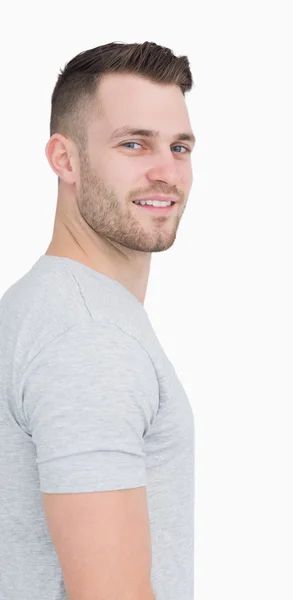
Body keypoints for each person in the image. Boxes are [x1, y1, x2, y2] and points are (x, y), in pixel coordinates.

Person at [0, 41, 197, 600]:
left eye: (179, 146)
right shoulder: (87, 339)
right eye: (133, 143)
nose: (166, 171)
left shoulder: (44, 306)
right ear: (65, 159)